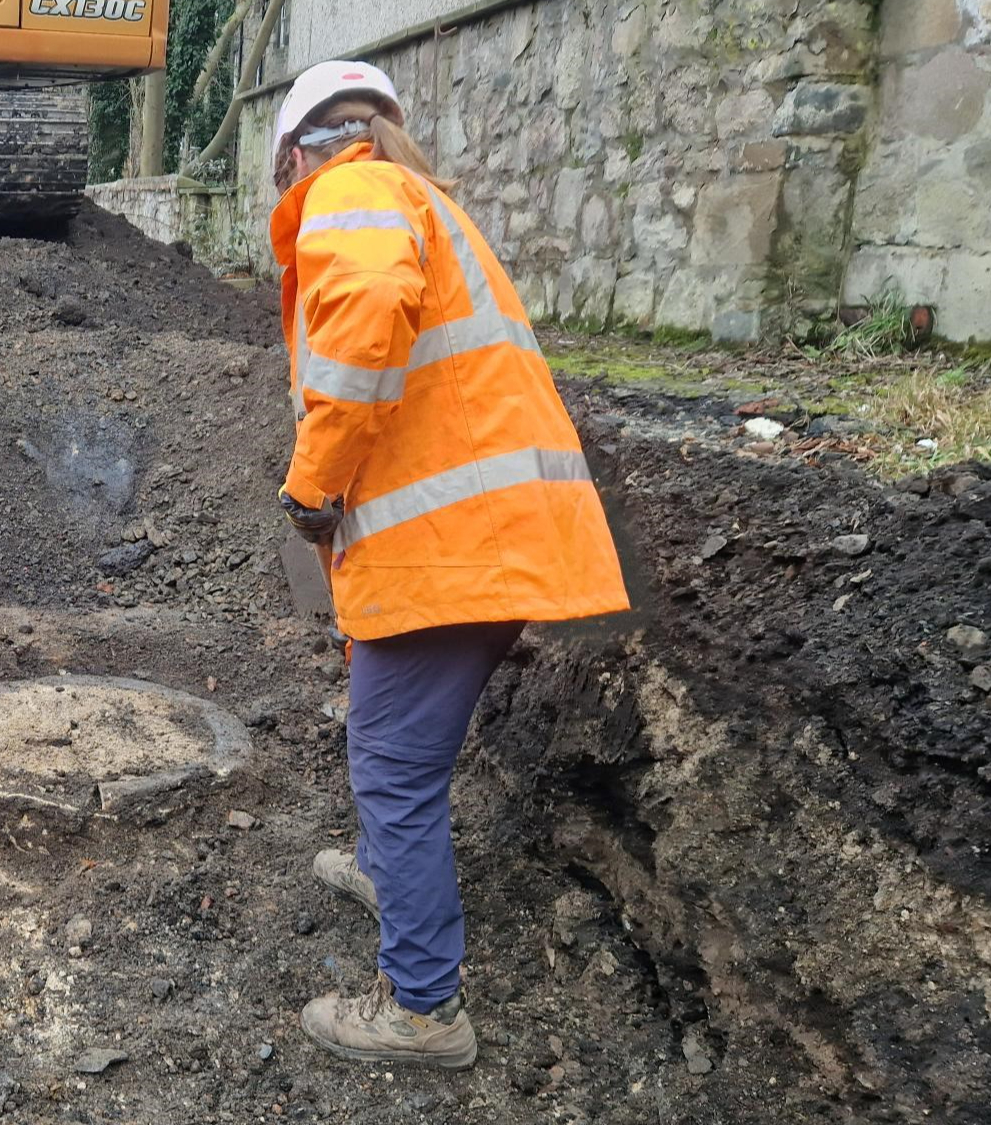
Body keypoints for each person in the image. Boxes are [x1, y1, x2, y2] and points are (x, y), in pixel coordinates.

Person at [266, 61, 629, 1068]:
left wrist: (312, 482)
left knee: (389, 766)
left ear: (296, 152)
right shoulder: (421, 199)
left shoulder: (348, 191)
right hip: (483, 532)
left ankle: (424, 1010)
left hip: (452, 543)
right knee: (392, 758)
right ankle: (388, 874)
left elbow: (364, 320)